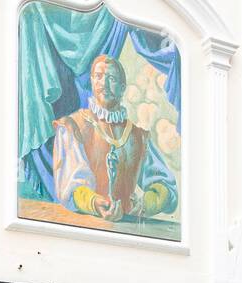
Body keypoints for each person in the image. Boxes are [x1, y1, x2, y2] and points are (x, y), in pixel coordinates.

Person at [52, 55, 177, 222]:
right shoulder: (72, 126)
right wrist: (95, 203)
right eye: (98, 76)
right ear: (92, 81)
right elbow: (71, 186)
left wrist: (146, 203)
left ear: (122, 87)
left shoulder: (138, 136)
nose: (104, 83)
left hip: (128, 230)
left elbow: (166, 186)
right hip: (86, 226)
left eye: (111, 78)